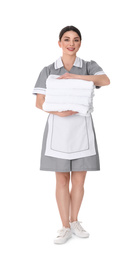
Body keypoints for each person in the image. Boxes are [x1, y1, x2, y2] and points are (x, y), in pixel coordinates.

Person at [32, 25, 110, 244]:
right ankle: (64, 226)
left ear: (80, 43)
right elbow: (39, 103)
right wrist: (59, 111)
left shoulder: (88, 66)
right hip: (58, 128)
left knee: (79, 179)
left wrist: (73, 77)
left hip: (82, 129)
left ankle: (75, 220)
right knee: (61, 179)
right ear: (59, 43)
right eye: (66, 39)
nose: (71, 43)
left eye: (76, 40)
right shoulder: (48, 70)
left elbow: (104, 81)